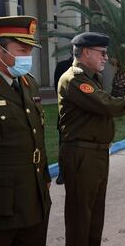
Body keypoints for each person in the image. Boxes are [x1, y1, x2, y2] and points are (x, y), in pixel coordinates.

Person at [58, 32, 125, 246]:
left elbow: (104, 106)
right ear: (85, 52)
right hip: (82, 154)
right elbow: (108, 105)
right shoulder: (74, 79)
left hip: (96, 153)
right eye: (102, 53)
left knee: (95, 215)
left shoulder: (92, 78)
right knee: (80, 217)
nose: (106, 58)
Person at [0, 16, 51, 246]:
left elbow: (36, 135)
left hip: (34, 201)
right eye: (22, 50)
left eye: (29, 51)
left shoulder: (28, 83)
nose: (27, 57)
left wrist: (45, 176)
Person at [53, 55, 73, 185]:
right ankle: (62, 173)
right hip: (66, 114)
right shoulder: (62, 66)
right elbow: (58, 89)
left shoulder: (92, 68)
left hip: (85, 116)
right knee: (64, 146)